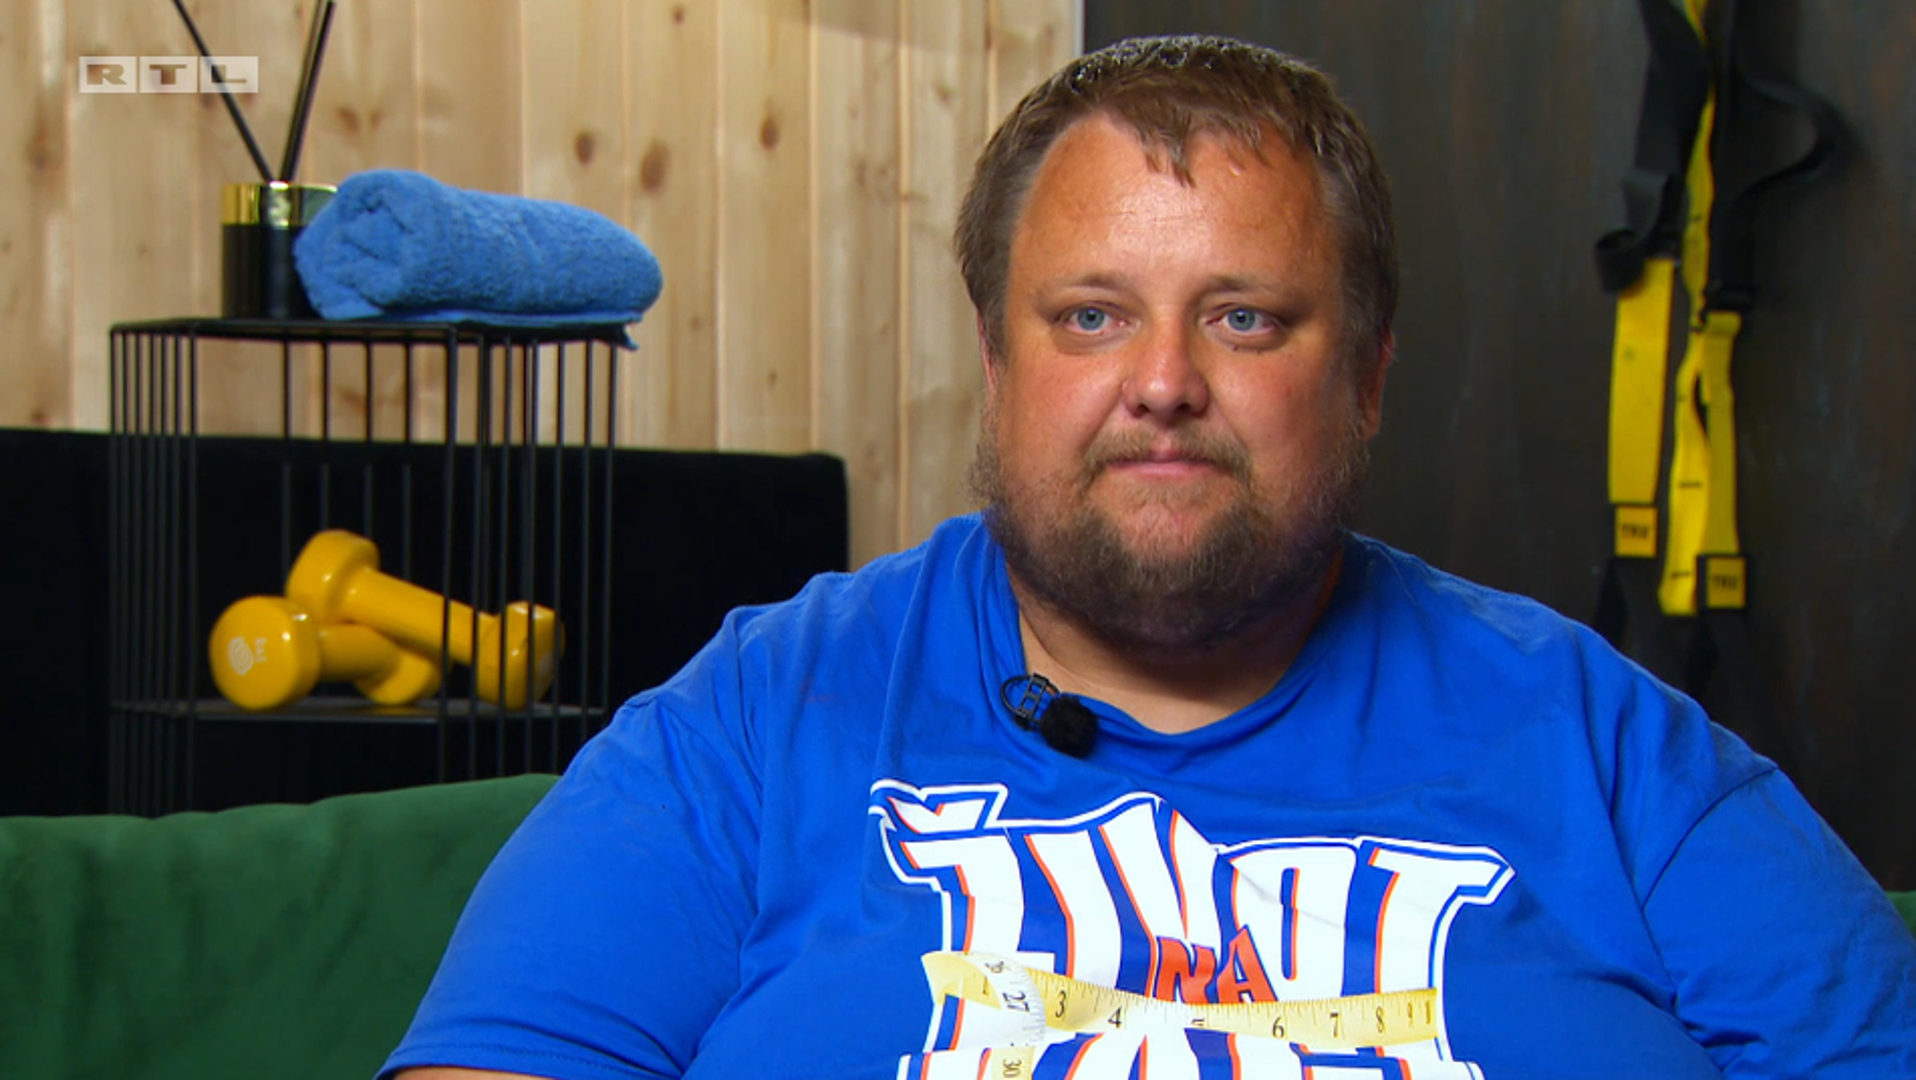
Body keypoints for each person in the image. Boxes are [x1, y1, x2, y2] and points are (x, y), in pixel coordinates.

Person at [384, 35, 1915, 1080]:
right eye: (1092, 316)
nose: (1163, 381)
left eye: (1244, 317)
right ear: (998, 361)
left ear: (1368, 375)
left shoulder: (1607, 743)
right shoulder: (753, 720)